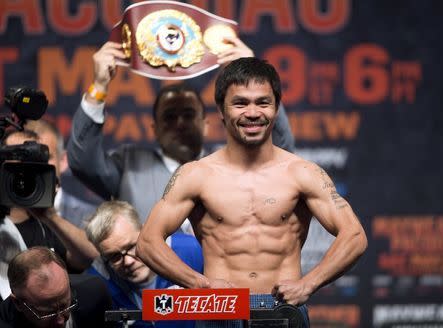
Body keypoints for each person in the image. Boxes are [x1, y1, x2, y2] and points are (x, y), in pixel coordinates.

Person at [135, 58, 368, 327]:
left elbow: (355, 236)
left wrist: (308, 284)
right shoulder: (196, 175)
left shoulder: (302, 173)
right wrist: (200, 284)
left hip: (281, 309)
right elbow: (147, 242)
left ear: (276, 108)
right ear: (222, 111)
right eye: (241, 103)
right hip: (219, 309)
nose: (253, 112)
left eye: (263, 102)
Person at [66, 38, 295, 225]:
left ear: (206, 124)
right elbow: (82, 162)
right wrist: (99, 86)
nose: (180, 123)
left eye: (188, 114)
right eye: (169, 117)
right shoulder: (129, 165)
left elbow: (281, 152)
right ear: (154, 129)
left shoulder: (234, 163)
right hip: (147, 279)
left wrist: (253, 80)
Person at [85, 200, 202, 328]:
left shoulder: (190, 251)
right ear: (103, 258)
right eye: (114, 256)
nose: (128, 261)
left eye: (132, 246)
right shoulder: (98, 285)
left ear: (145, 231)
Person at [1, 130, 98, 273]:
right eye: (14, 155)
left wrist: (50, 216)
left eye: (29, 158)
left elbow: (88, 257)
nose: (22, 167)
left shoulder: (46, 228)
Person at [0, 246, 111, 328]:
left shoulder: (94, 291)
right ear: (18, 303)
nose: (60, 321)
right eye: (48, 312)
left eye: (65, 306)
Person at [25, 119, 101, 228]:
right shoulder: (5, 216)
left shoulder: (91, 219)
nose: (37, 165)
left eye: (45, 157)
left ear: (63, 160)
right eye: (28, 158)